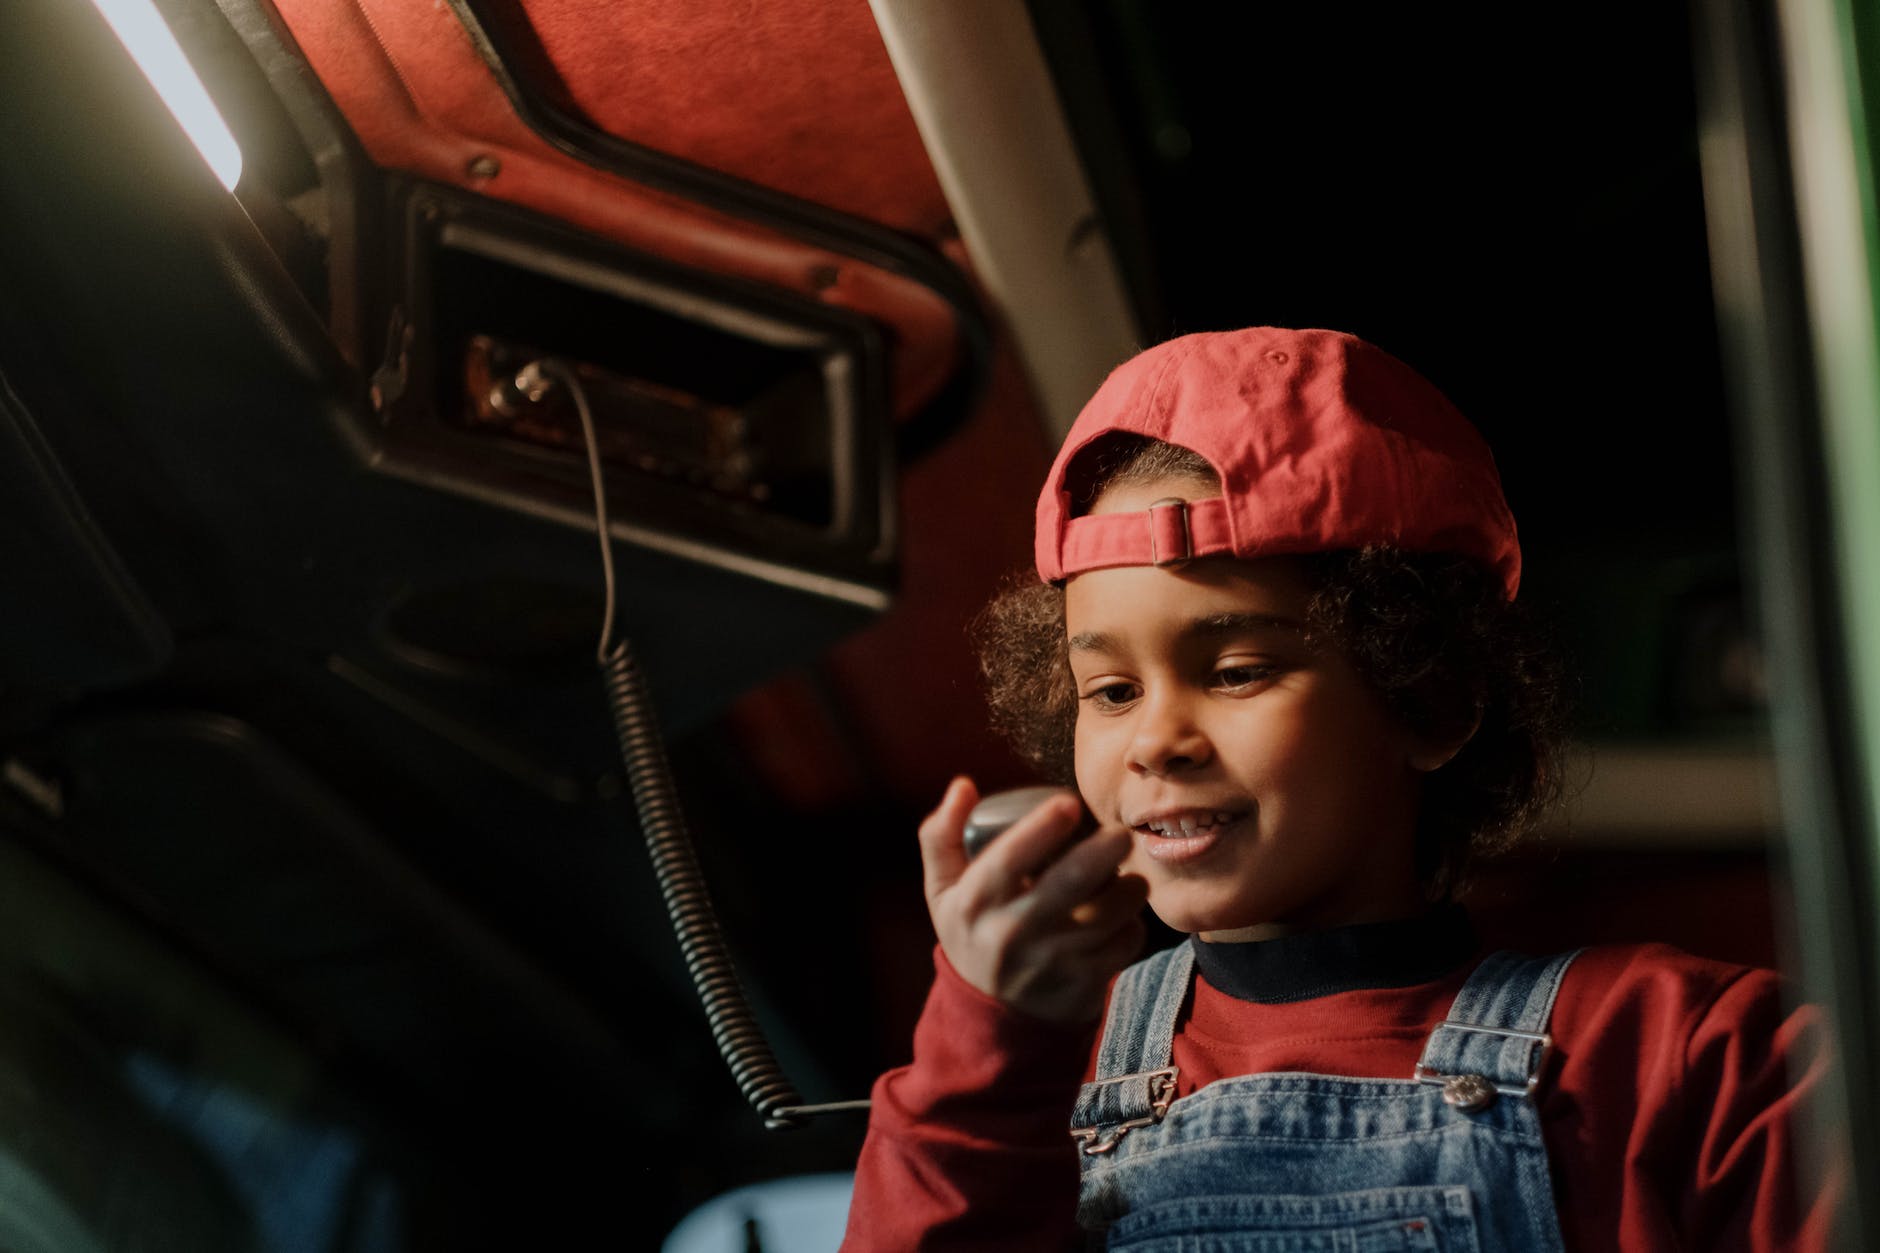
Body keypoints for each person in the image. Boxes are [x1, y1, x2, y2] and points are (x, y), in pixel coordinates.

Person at [840, 327, 1838, 1251]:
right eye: (1109, 690)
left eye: (1233, 671)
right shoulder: (1020, 1085)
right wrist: (988, 1044)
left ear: (1430, 700)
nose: (1153, 739)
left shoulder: (1702, 1053)